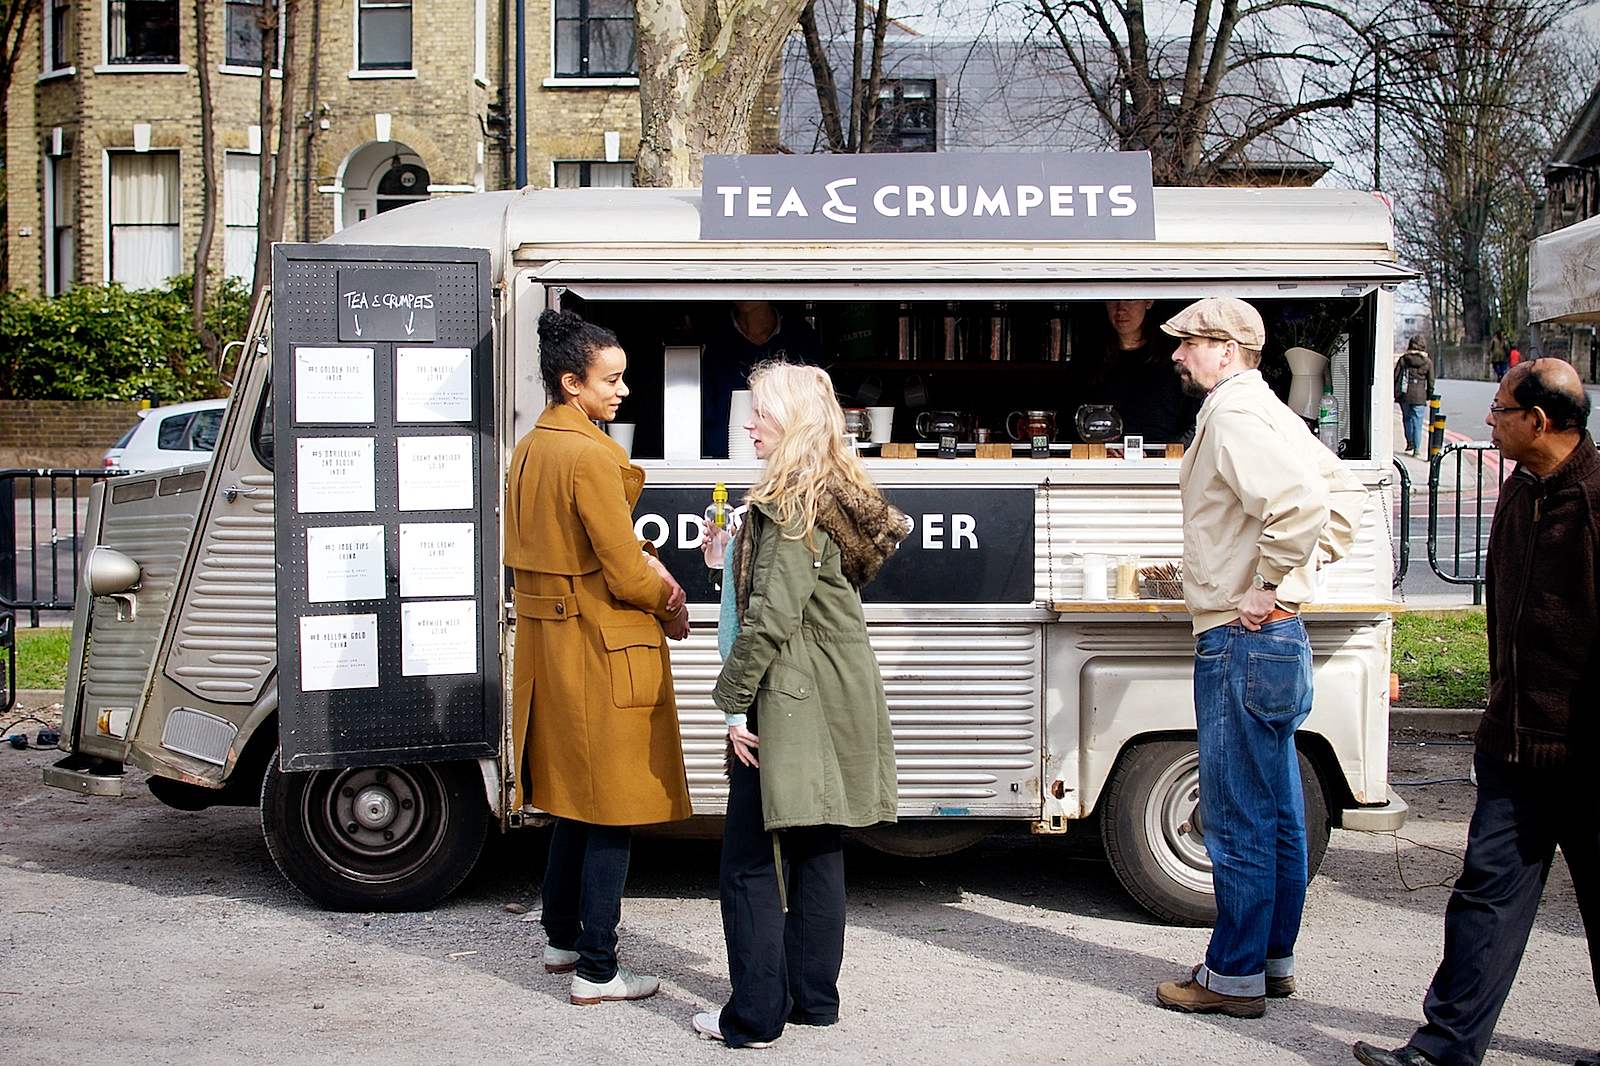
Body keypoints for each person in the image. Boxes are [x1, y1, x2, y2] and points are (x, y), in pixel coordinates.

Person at [1352, 359, 1599, 1066]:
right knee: (1484, 901)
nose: (1487, 419)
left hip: (1585, 756)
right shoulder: (1522, 489)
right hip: (1512, 750)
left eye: (1499, 409)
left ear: (1539, 422)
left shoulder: (1595, 502)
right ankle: (1445, 1049)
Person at [1154, 297, 1366, 1018]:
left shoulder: (1235, 415)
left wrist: (1264, 585)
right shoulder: (1271, 411)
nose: (1179, 355)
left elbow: (1302, 504)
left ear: (1225, 348)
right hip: (1276, 638)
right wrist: (1291, 582)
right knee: (1275, 809)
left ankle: (1232, 974)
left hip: (1241, 638)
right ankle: (1271, 961)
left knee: (1236, 811)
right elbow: (1338, 507)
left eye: (1189, 343)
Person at [691, 360, 904, 1048]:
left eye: (760, 412)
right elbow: (789, 594)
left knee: (749, 860)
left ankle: (753, 1017)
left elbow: (773, 616)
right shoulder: (828, 494)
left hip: (789, 696)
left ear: (793, 421)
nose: (749, 424)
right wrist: (728, 562)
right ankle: (813, 1000)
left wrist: (730, 703)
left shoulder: (786, 504)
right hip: (831, 690)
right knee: (816, 843)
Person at [504, 308, 693, 1006]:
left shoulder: (534, 446)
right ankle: (598, 969)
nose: (621, 391)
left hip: (553, 648)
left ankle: (560, 938)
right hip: (601, 645)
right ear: (569, 381)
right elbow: (624, 569)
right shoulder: (586, 455)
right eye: (610, 380)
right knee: (614, 807)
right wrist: (671, 602)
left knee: (576, 804)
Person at [699, 301, 822, 458]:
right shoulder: (715, 338)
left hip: (792, 459)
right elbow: (705, 408)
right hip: (724, 460)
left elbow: (816, 404)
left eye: (752, 279)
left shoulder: (800, 335)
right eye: (739, 280)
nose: (745, 289)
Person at [1074, 299, 1200, 445]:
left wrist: (1162, 453)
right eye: (1112, 299)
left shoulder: (1175, 357)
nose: (1121, 309)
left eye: (1130, 300)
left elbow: (1196, 422)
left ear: (1148, 302)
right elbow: (1075, 419)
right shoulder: (1090, 358)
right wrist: (1100, 447)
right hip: (1101, 460)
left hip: (1165, 462)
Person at [1398, 336, 1436, 459]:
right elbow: (1431, 381)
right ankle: (1417, 449)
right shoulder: (1427, 362)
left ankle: (1410, 444)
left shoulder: (1404, 359)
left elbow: (1396, 377)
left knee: (1407, 420)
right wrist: (1429, 395)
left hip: (1405, 395)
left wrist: (1396, 393)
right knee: (1417, 422)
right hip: (1420, 396)